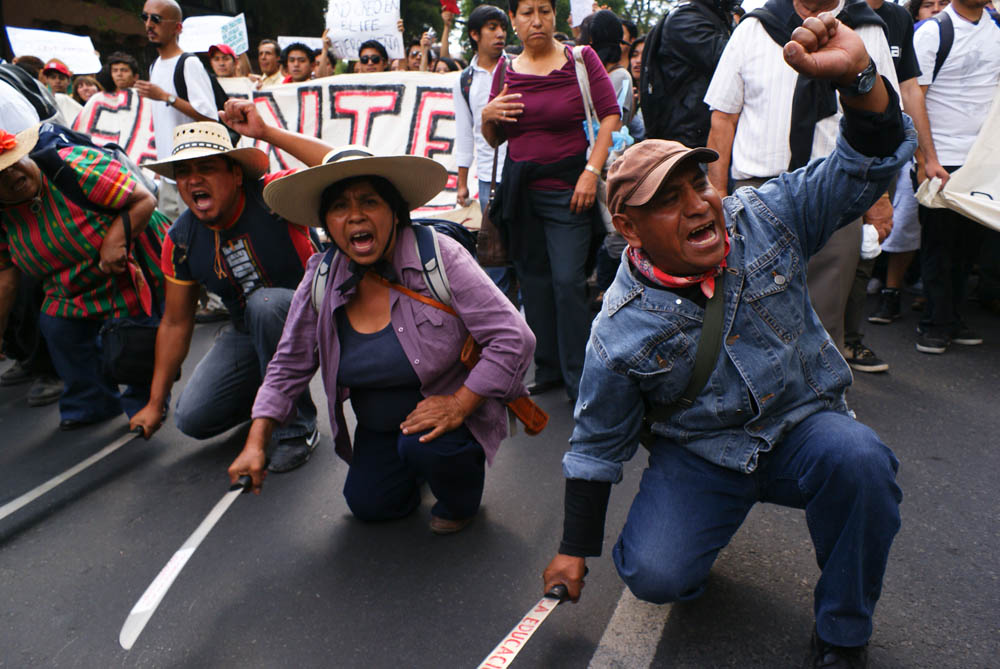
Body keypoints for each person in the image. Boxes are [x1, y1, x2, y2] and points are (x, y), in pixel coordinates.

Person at [543, 13, 912, 668]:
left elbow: (868, 165)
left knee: (862, 462)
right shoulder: (617, 331)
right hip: (704, 452)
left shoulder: (764, 214)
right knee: (655, 574)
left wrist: (860, 81)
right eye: (668, 199)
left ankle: (843, 633)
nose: (698, 204)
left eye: (698, 183)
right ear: (629, 227)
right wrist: (575, 548)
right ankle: (703, 516)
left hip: (804, 427)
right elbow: (596, 445)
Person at [225, 146, 535, 534]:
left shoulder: (439, 258)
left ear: (394, 211)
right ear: (326, 223)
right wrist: (257, 441)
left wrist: (459, 404)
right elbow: (288, 363)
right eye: (339, 206)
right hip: (380, 427)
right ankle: (414, 466)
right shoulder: (321, 278)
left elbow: (514, 338)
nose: (355, 215)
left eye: (369, 201)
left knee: (428, 450)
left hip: (448, 421)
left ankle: (460, 491)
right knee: (369, 505)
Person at [129, 103, 335, 471]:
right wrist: (155, 402)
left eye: (206, 168)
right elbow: (175, 323)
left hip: (318, 314)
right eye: (185, 172)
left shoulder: (273, 196)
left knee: (265, 304)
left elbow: (339, 165)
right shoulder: (179, 240)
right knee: (192, 419)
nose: (193, 181)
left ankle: (296, 428)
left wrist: (267, 133)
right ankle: (268, 403)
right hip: (248, 330)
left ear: (237, 175)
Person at [705, 0, 898, 360]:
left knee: (824, 320)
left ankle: (819, 406)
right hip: (756, 196)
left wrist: (878, 197)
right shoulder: (754, 27)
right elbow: (723, 117)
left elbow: (885, 116)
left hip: (837, 194)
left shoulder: (866, 30)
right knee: (748, 315)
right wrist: (717, 193)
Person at [483, 0, 620, 403]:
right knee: (535, 284)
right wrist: (488, 114)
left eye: (544, 9)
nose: (536, 20)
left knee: (567, 283)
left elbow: (611, 115)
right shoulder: (505, 71)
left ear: (555, 15)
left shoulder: (581, 59)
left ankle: (582, 377)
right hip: (521, 195)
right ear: (514, 20)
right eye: (526, 12)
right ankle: (549, 368)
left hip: (570, 191)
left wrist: (590, 172)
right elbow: (495, 139)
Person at [0, 123, 170, 429]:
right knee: (56, 326)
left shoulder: (75, 167)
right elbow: (5, 278)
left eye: (14, 164)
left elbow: (144, 199)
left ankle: (146, 401)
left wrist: (115, 240)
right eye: (0, 175)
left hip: (126, 263)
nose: (11, 175)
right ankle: (92, 401)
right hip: (68, 284)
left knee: (134, 338)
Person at [908, 0, 1000, 353]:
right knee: (938, 245)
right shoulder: (933, 32)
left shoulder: (995, 30)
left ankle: (953, 317)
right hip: (941, 159)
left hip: (980, 163)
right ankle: (935, 322)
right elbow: (914, 97)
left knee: (968, 246)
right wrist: (924, 159)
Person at [138, 0, 220, 222]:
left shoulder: (188, 63)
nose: (148, 24)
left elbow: (209, 117)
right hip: (169, 174)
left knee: (199, 239)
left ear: (177, 27)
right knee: (173, 243)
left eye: (156, 19)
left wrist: (167, 97)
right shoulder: (155, 66)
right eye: (144, 17)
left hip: (194, 174)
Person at [641, 0, 734, 145]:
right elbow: (731, 61)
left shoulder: (711, 17)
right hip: (687, 142)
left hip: (697, 137)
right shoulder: (685, 19)